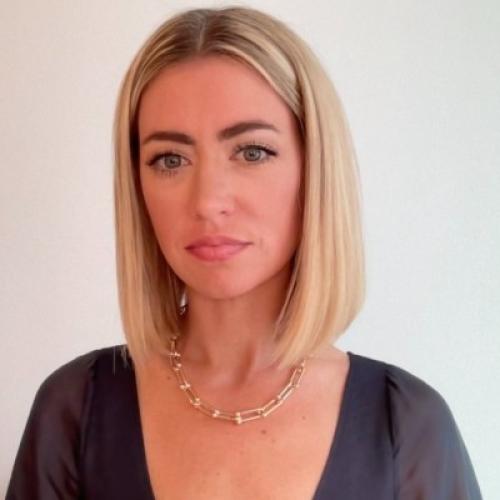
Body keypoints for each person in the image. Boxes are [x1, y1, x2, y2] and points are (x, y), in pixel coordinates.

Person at [6, 6, 482, 500]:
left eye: (252, 152)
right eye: (170, 159)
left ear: (315, 168)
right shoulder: (75, 412)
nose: (208, 201)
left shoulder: (406, 429)